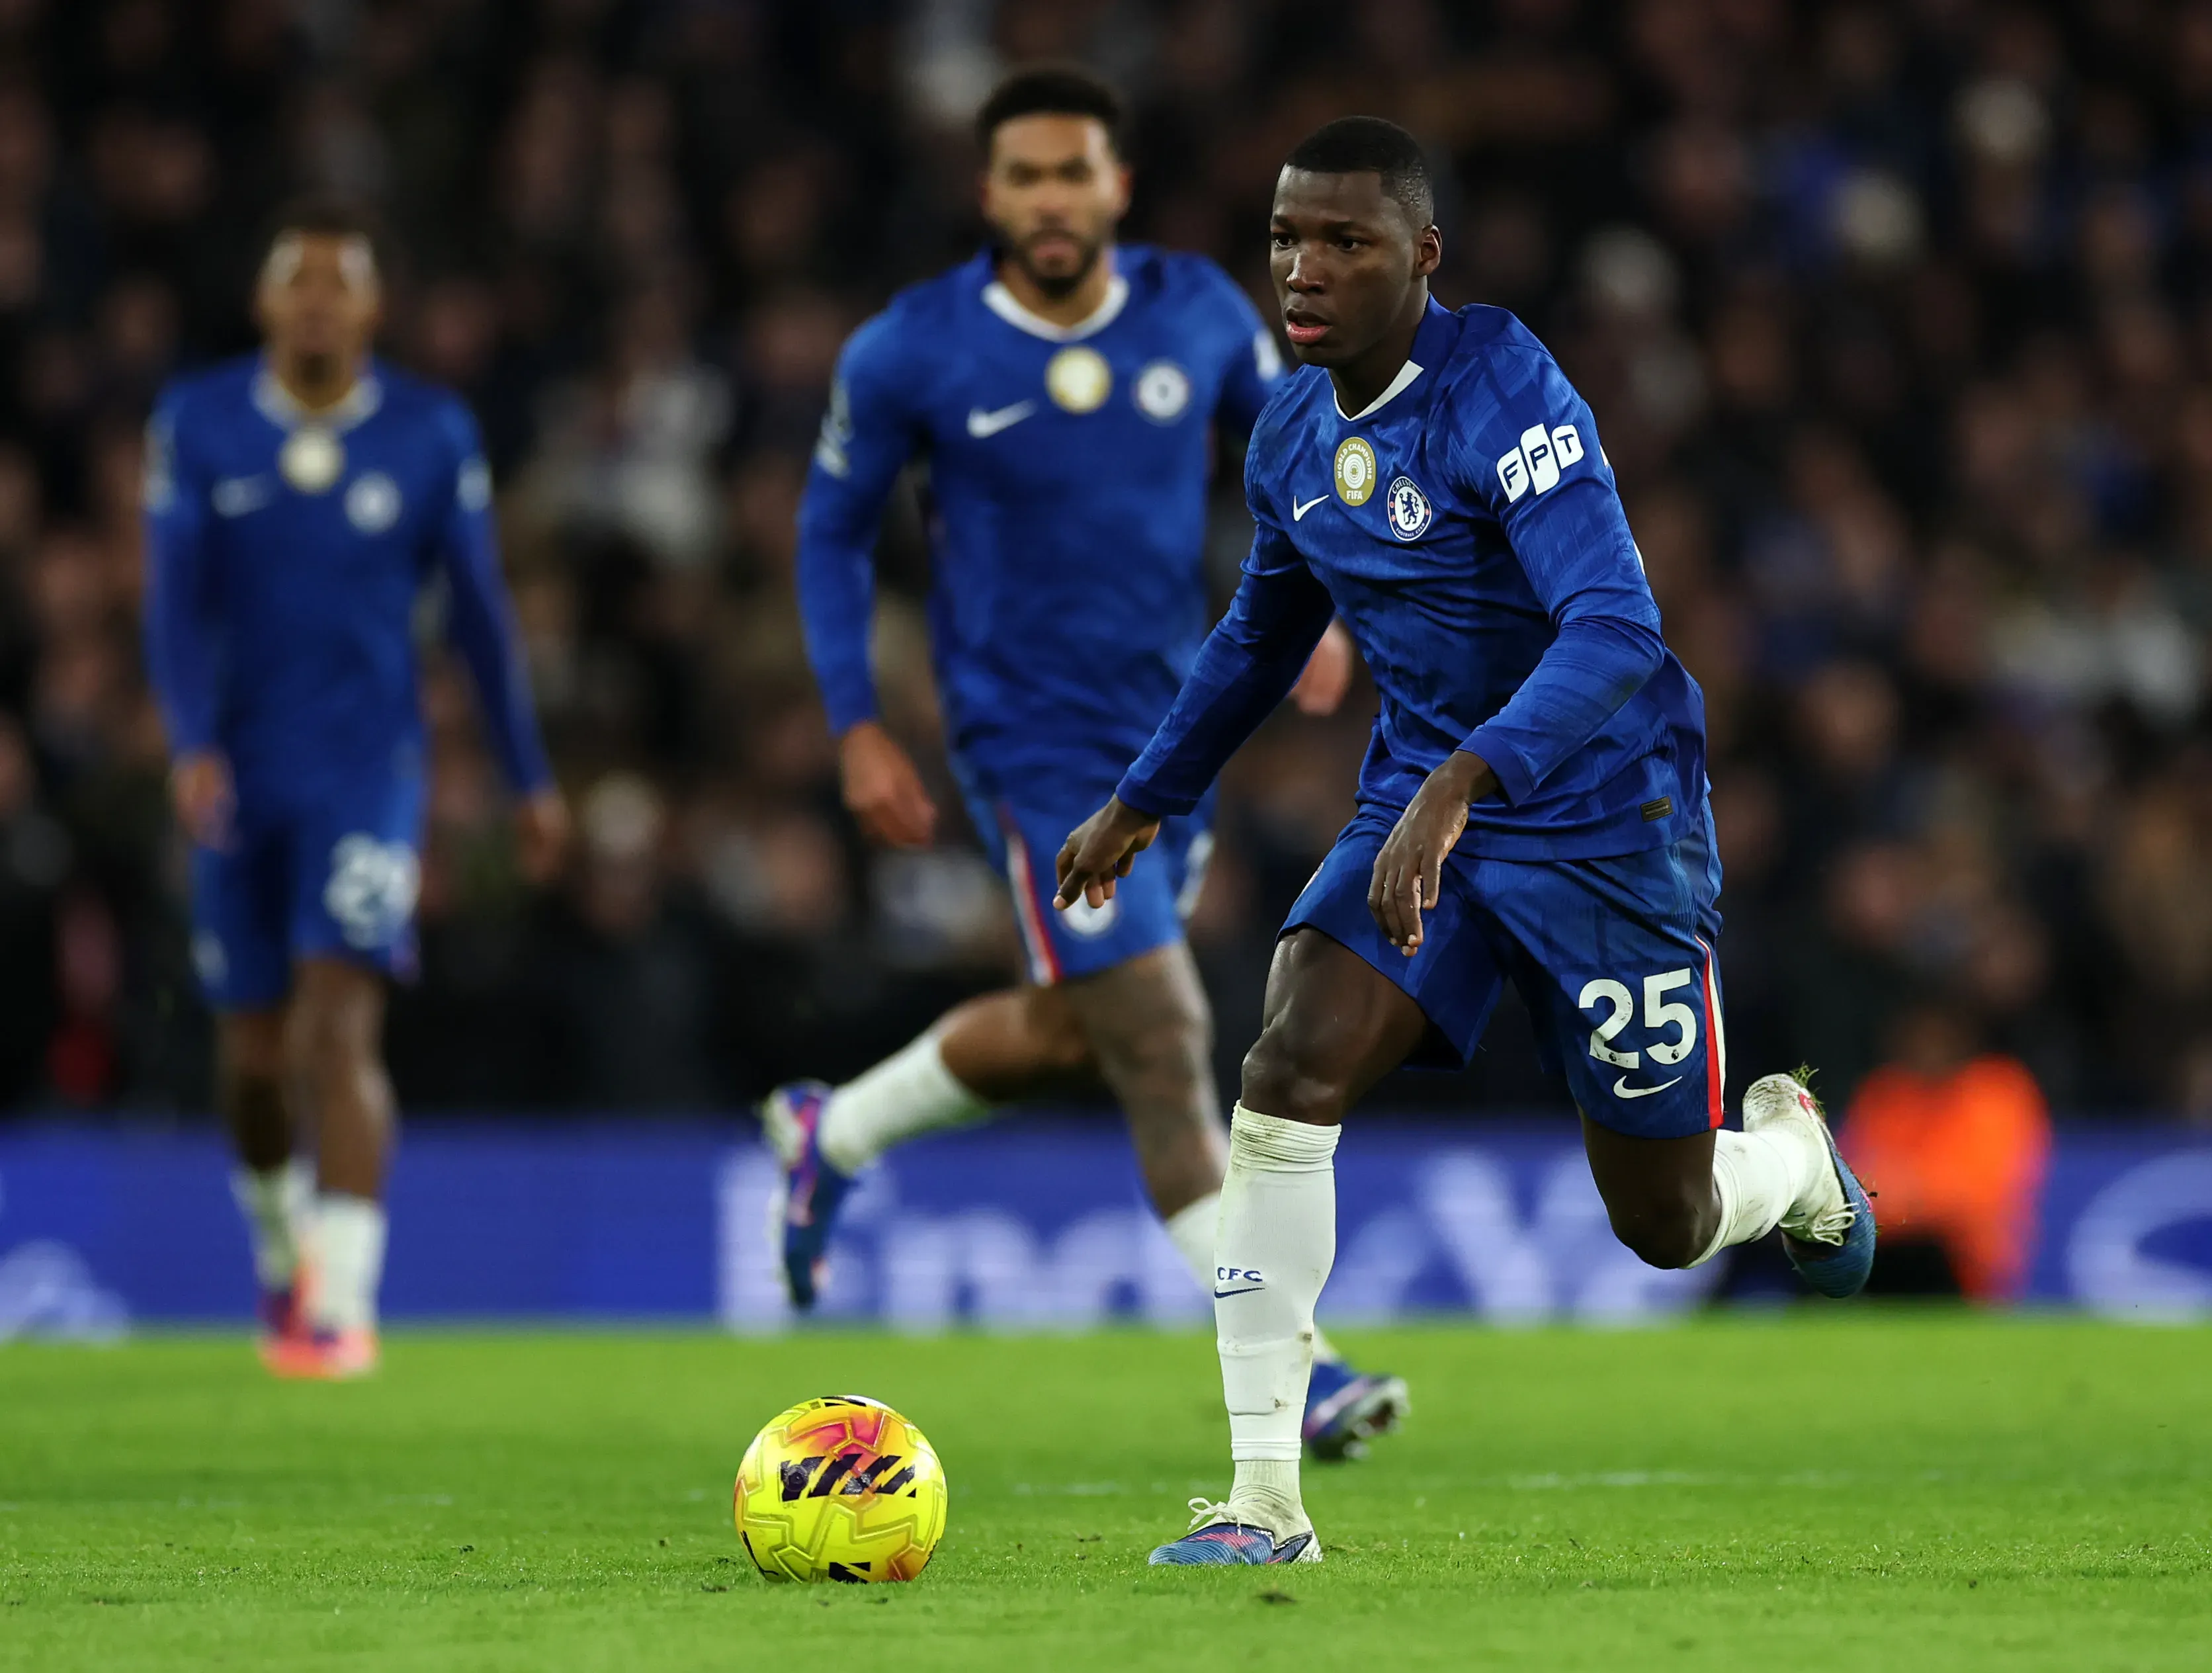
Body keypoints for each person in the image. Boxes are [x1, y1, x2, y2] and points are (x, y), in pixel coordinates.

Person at [1056, 117, 1877, 1567]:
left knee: (1666, 1221)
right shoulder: (1297, 433)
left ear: (1421, 257)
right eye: (1285, 239)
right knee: (1288, 1061)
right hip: (1430, 801)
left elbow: (1616, 627)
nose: (1303, 272)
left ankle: (1792, 1161)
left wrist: (1466, 783)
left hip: (1605, 820)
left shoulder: (1503, 388)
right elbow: (1261, 637)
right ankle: (1262, 1502)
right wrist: (1144, 795)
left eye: (1344, 242)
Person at [773, 66, 1404, 1460]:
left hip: (1173, 731)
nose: (1051, 199)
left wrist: (1330, 607)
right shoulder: (913, 349)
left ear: (1116, 186)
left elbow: (1301, 448)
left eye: (1075, 174)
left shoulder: (1193, 315)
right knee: (1169, 1041)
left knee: (1078, 1027)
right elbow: (827, 533)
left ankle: (835, 1131)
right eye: (1024, 176)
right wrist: (854, 720)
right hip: (1030, 742)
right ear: (986, 193)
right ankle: (1296, 1368)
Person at [144, 199, 567, 1380]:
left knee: (341, 1027)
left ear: (375, 309)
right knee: (253, 1062)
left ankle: (344, 1307)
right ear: (266, 302)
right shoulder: (201, 422)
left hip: (368, 774)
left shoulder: (431, 433)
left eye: (343, 285)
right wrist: (190, 744)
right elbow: (174, 605)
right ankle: (284, 1253)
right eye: (301, 283)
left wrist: (530, 778)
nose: (320, 302)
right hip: (241, 776)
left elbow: (481, 621)